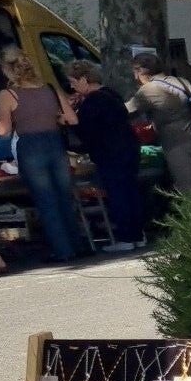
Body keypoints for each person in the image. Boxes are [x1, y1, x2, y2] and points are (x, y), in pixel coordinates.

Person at [0, 45, 86, 263]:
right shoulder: (49, 89)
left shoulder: (7, 94)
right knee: (64, 197)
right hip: (55, 144)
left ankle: (62, 250)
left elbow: (3, 130)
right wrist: (53, 118)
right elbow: (72, 119)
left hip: (30, 147)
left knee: (46, 200)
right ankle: (78, 245)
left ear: (7, 69)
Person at [65, 60, 146, 252]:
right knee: (131, 192)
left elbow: (83, 131)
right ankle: (138, 235)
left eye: (73, 82)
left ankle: (126, 237)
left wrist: (69, 117)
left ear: (84, 79)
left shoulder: (93, 102)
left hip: (110, 153)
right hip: (128, 149)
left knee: (118, 194)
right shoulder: (111, 94)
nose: (72, 87)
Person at [129, 52, 191, 195]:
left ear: (139, 71)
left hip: (176, 144)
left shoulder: (148, 89)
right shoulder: (182, 81)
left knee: (190, 191)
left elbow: (126, 111)